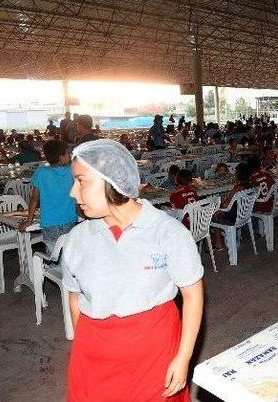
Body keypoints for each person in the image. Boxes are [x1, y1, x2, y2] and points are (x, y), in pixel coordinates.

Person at [62, 139, 203, 401]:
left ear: (111, 181)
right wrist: (86, 349)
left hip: (154, 356)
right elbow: (74, 297)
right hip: (93, 358)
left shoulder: (167, 232)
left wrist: (184, 358)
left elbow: (193, 295)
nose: (72, 192)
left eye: (81, 181)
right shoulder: (77, 239)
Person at [19, 140, 77, 253]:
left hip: (50, 223)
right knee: (69, 253)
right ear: (61, 157)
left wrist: (29, 220)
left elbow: (34, 198)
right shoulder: (72, 171)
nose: (70, 155)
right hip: (70, 220)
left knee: (53, 254)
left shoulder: (41, 172)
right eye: (67, 153)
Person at [211, 163, 252, 248]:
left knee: (214, 215)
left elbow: (225, 206)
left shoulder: (237, 188)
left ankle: (218, 243)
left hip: (233, 217)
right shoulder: (251, 186)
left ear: (237, 175)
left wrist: (217, 208)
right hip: (244, 214)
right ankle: (223, 235)